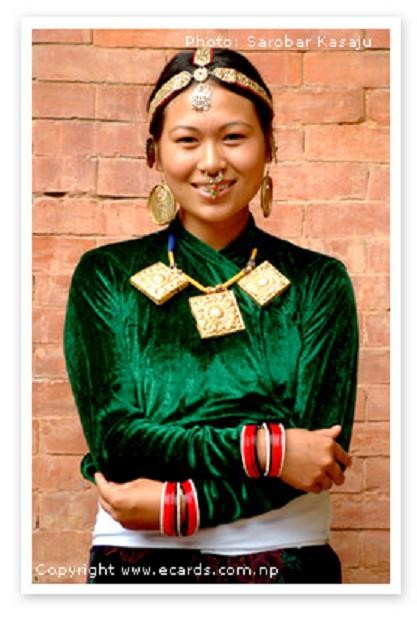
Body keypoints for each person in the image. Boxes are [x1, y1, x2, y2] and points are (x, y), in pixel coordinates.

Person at [63, 47, 358, 585]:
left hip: (286, 567)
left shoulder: (317, 281)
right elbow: (118, 442)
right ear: (154, 153)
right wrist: (270, 449)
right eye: (187, 140)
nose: (212, 162)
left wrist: (179, 506)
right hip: (138, 567)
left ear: (270, 145)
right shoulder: (107, 276)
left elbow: (319, 454)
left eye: (234, 137)